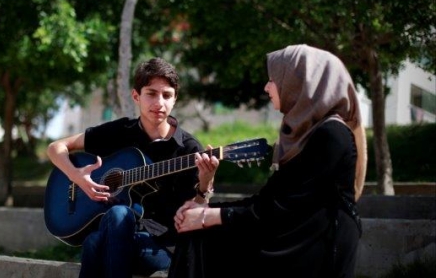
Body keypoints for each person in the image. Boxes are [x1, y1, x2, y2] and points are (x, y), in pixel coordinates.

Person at [168, 44, 367, 278]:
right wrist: (205, 209)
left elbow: (282, 208)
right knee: (199, 234)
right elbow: (269, 200)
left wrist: (206, 217)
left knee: (204, 237)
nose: (267, 87)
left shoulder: (331, 134)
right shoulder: (306, 133)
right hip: (294, 235)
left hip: (316, 245)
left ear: (298, 81)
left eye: (273, 79)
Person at [46, 57, 217, 278]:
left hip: (161, 246)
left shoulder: (188, 149)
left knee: (96, 239)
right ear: (136, 96)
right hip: (117, 234)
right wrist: (77, 176)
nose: (160, 103)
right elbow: (56, 147)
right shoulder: (121, 132)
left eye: (167, 95)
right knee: (105, 229)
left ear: (175, 99)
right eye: (151, 94)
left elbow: (197, 208)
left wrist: (206, 181)